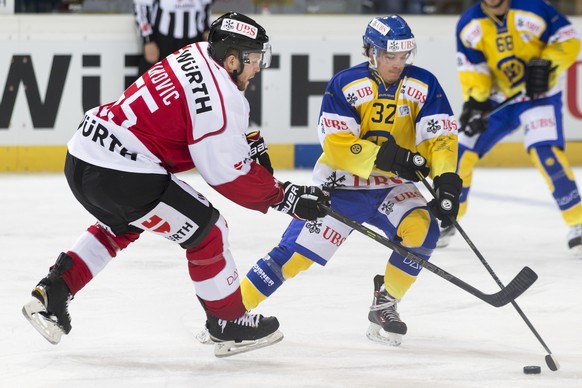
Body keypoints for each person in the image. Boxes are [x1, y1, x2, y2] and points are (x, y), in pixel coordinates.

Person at [21, 12, 328, 357]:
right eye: (255, 59)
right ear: (232, 60)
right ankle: (227, 323)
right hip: (121, 172)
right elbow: (225, 172)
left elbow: (188, 128)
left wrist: (243, 144)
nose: (259, 67)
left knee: (121, 224)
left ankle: (53, 294)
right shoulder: (223, 99)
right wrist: (283, 196)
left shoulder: (195, 52)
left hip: (84, 153)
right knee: (208, 230)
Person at [240, 15, 461, 346]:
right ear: (371, 52)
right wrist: (390, 157)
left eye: (404, 56)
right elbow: (337, 144)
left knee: (423, 229)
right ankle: (229, 314)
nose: (398, 64)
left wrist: (445, 179)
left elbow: (440, 135)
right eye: (390, 56)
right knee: (293, 256)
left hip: (392, 186)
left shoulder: (424, 84)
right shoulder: (345, 83)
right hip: (341, 186)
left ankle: (385, 301)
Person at [442, 0, 582, 255]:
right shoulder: (469, 24)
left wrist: (547, 64)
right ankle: (448, 217)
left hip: (540, 95)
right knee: (460, 152)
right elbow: (474, 69)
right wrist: (476, 101)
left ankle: (579, 221)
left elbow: (569, 39)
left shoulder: (534, 7)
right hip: (499, 99)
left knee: (546, 153)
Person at [133, 0, 214, 77]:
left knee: (193, 81)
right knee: (155, 79)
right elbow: (141, 6)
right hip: (163, 39)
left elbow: (205, 6)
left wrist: (207, 31)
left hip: (194, 38)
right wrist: (148, 40)